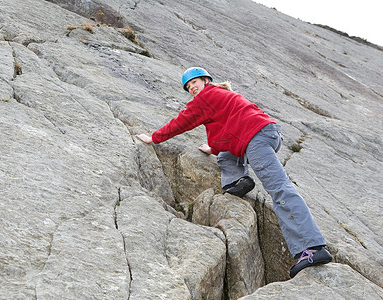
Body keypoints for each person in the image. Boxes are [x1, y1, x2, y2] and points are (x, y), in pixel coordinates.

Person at [136, 67, 332, 278]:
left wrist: (154, 138)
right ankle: (239, 180)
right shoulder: (220, 96)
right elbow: (228, 128)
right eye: (188, 86)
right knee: (224, 155)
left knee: (279, 189)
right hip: (264, 133)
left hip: (255, 138)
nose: (192, 88)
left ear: (205, 81)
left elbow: (181, 122)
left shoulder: (205, 98)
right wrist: (212, 149)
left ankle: (311, 248)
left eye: (194, 82)